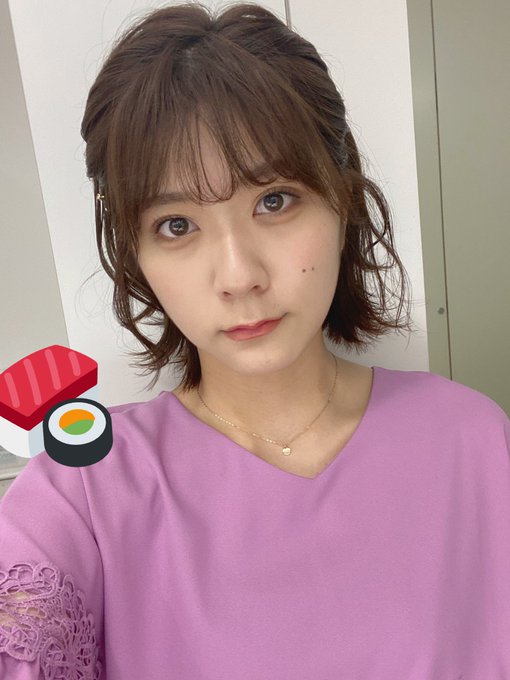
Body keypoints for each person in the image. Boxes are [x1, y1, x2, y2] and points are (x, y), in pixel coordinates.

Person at [1, 3, 509, 678]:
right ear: (136, 254)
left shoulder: (473, 440)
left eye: (274, 200)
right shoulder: (81, 490)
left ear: (342, 199)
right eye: (177, 225)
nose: (239, 276)